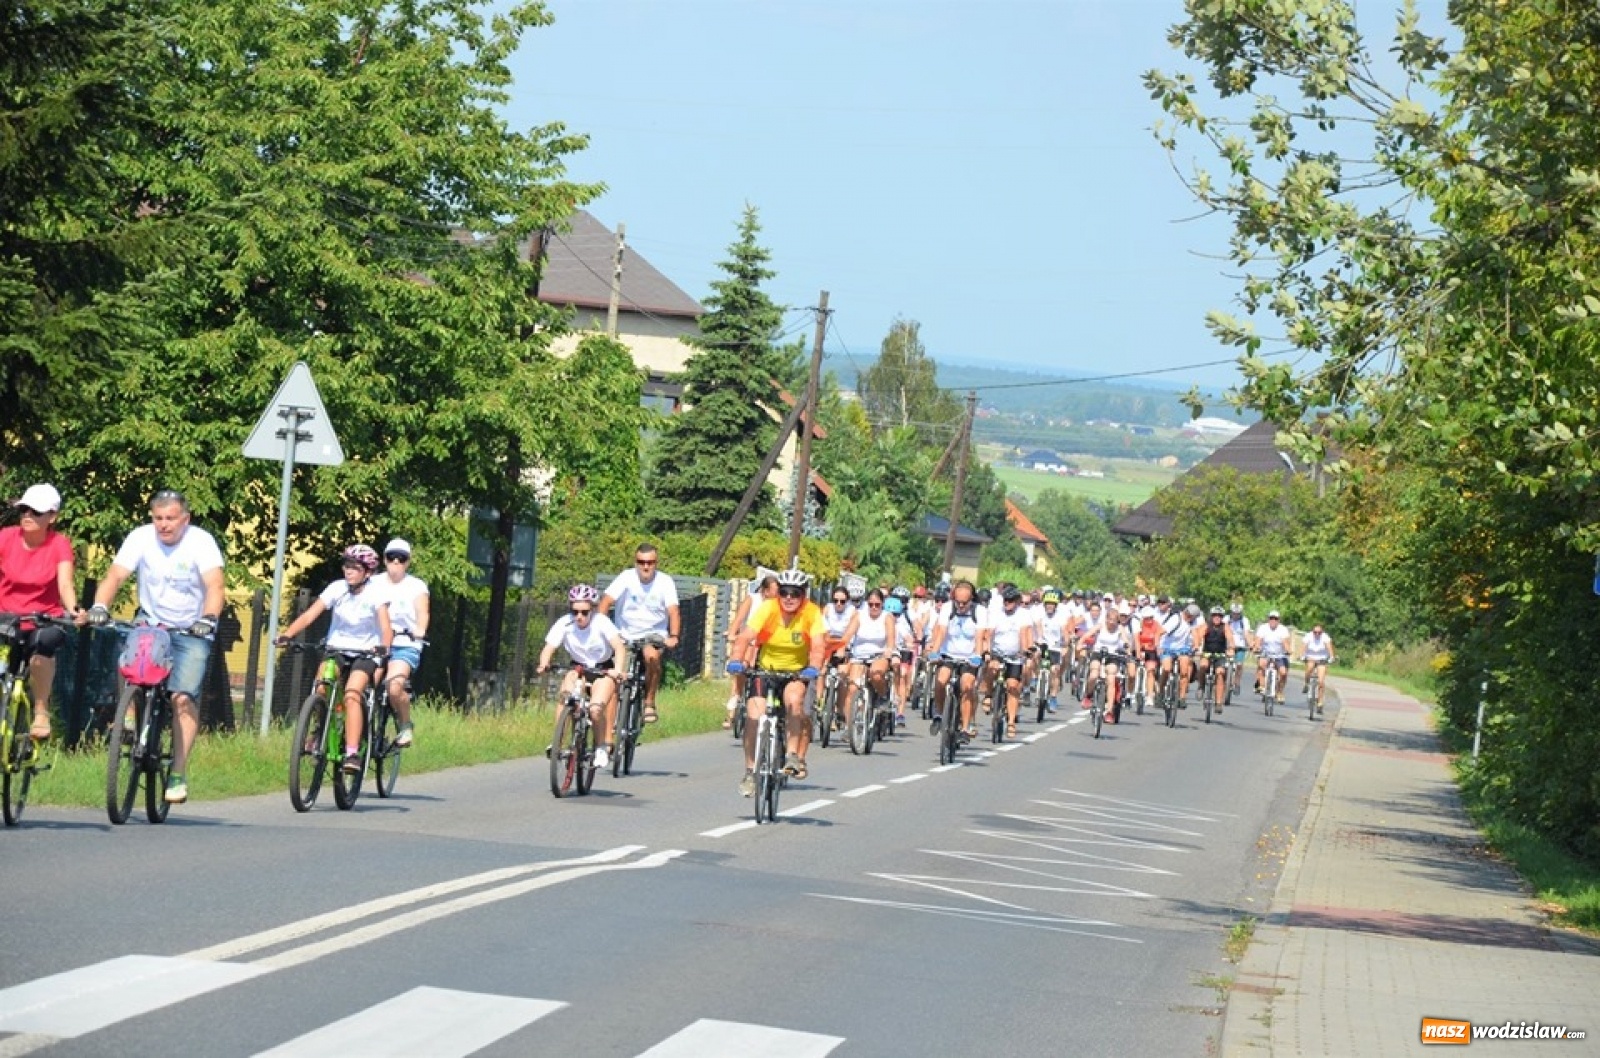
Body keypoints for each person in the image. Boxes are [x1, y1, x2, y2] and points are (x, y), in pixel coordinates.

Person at [89, 489, 225, 804]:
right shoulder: (140, 538)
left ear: (185, 519)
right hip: (151, 621)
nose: (163, 525)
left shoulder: (200, 542)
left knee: (181, 698)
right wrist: (99, 606)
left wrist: (207, 618)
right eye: (158, 518)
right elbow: (115, 576)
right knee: (129, 657)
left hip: (191, 627)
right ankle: (129, 713)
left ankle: (177, 772)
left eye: (170, 519)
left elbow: (215, 586)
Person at [275, 545, 393, 775]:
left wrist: (384, 647)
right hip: (337, 648)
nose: (349, 571)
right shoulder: (336, 588)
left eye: (355, 567)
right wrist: (287, 635)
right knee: (320, 687)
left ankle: (351, 753)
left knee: (352, 694)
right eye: (346, 566)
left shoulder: (376, 594)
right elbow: (310, 614)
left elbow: (386, 627)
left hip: (365, 653)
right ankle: (319, 730)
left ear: (367, 572)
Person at [727, 567, 826, 794]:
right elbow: (745, 637)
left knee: (794, 700)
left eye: (795, 593)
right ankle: (750, 772)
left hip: (796, 672)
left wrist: (813, 667)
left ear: (803, 595)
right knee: (753, 716)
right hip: (765, 669)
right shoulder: (768, 609)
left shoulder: (811, 613)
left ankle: (791, 755)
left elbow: (819, 646)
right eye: (784, 592)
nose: (789, 598)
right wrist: (736, 660)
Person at [0, 484, 81, 740]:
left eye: (36, 511)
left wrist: (74, 610)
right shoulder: (5, 537)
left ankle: (41, 710)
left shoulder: (59, 545)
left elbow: (65, 584)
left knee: (42, 647)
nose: (27, 515)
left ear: (52, 517)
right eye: (24, 509)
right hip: (5, 617)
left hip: (43, 618)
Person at [537, 584, 627, 770]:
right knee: (565, 697)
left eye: (584, 612)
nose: (579, 616)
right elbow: (549, 647)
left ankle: (601, 747)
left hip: (603, 670)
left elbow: (618, 647)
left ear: (593, 609)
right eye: (575, 611)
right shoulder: (565, 623)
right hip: (578, 668)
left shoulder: (601, 622)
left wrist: (617, 669)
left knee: (595, 709)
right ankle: (558, 743)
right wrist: (544, 663)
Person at [599, 543, 680, 725]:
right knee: (617, 674)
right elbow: (605, 603)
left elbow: (673, 611)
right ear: (635, 562)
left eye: (650, 562)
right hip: (625, 635)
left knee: (651, 657)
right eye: (641, 562)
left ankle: (649, 702)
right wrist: (603, 629)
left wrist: (673, 636)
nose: (645, 567)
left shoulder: (665, 581)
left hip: (653, 635)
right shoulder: (626, 577)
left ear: (656, 563)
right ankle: (611, 725)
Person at [376, 538, 428, 748]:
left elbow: (423, 612)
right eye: (391, 557)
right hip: (377, 642)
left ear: (408, 562)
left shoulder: (416, 585)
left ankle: (405, 724)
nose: (396, 562)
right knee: (358, 685)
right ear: (384, 559)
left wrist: (420, 629)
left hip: (405, 642)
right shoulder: (373, 583)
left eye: (401, 558)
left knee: (394, 686)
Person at [926, 579, 988, 739]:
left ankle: (965, 727)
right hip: (949, 654)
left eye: (964, 603)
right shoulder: (947, 608)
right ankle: (939, 714)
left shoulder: (980, 611)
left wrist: (977, 656)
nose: (960, 606)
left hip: (969, 657)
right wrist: (935, 651)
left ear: (972, 600)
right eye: (957, 602)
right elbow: (941, 632)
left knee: (967, 686)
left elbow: (980, 637)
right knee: (941, 680)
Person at [723, 575, 776, 729]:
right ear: (765, 591)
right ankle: (734, 705)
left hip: (766, 643)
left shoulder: (778, 605)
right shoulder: (752, 599)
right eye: (775, 591)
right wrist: (732, 634)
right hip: (749, 640)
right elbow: (739, 619)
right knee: (742, 666)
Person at [982, 585, 1034, 739]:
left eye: (1011, 600)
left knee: (1012, 686)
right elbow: (988, 634)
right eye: (1005, 600)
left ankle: (1011, 722)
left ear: (1017, 602)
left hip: (1015, 655)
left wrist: (1026, 652)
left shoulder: (1023, 615)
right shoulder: (996, 614)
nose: (1007, 603)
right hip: (998, 652)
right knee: (992, 667)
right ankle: (989, 694)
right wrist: (987, 651)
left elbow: (1024, 634)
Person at [844, 588, 895, 735]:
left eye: (877, 605)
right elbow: (848, 634)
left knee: (876, 674)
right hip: (859, 656)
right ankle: (849, 728)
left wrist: (889, 650)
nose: (873, 607)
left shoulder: (887, 617)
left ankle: (882, 696)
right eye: (871, 604)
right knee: (852, 689)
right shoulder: (859, 616)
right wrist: (842, 647)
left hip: (879, 654)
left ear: (882, 604)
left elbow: (891, 639)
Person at [1194, 606, 1236, 714]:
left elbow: (1230, 638)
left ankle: (1218, 703)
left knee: (1220, 673)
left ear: (1222, 617)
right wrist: (1197, 647)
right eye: (1215, 615)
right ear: (1211, 616)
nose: (1217, 618)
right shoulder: (1206, 626)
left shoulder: (1225, 627)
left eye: (1219, 616)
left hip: (1220, 655)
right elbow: (1198, 636)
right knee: (1203, 666)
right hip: (1207, 653)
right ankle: (1201, 686)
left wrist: (1231, 648)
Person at [1253, 610, 1293, 702]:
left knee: (1283, 673)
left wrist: (1288, 650)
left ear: (1279, 620)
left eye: (1275, 619)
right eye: (1271, 618)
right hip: (1266, 653)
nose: (1273, 620)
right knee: (1261, 664)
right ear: (1268, 619)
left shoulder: (1283, 629)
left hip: (1279, 655)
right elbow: (1259, 640)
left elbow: (1285, 642)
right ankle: (1261, 686)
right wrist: (1257, 647)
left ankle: (1279, 691)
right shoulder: (1263, 628)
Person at [1300, 622, 1335, 714]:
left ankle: (1320, 702)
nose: (1317, 634)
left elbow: (1329, 647)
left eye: (1319, 632)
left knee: (1321, 682)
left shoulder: (1325, 637)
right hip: (1311, 657)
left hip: (1321, 659)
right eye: (1315, 632)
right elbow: (1304, 646)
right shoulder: (1308, 636)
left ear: (1322, 632)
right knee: (1310, 667)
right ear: (1312, 631)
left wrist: (1331, 657)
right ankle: (1307, 683)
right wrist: (1302, 655)